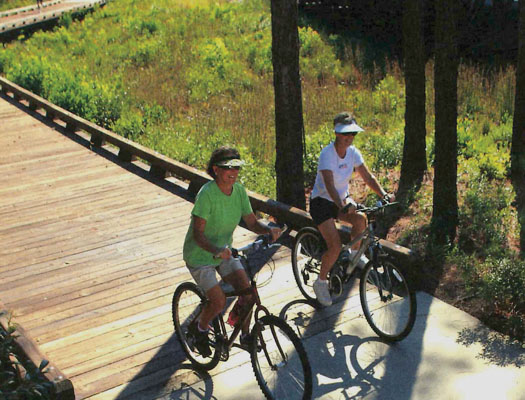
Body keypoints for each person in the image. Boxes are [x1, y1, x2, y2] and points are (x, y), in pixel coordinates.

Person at [183, 146, 281, 356]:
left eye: (236, 167)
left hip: (225, 252)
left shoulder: (239, 191)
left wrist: (268, 230)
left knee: (248, 293)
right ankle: (200, 329)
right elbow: (197, 235)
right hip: (200, 256)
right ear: (216, 169)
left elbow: (252, 222)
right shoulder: (207, 194)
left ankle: (244, 335)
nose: (233, 172)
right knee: (218, 301)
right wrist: (216, 250)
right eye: (228, 168)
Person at [309, 112, 393, 307]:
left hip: (341, 200)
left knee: (361, 220)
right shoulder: (327, 154)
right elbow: (329, 185)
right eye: (345, 133)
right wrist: (342, 206)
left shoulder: (353, 153)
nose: (349, 137)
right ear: (337, 133)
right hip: (322, 202)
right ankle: (320, 282)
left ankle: (354, 256)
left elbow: (368, 176)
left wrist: (384, 195)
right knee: (335, 246)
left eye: (353, 133)